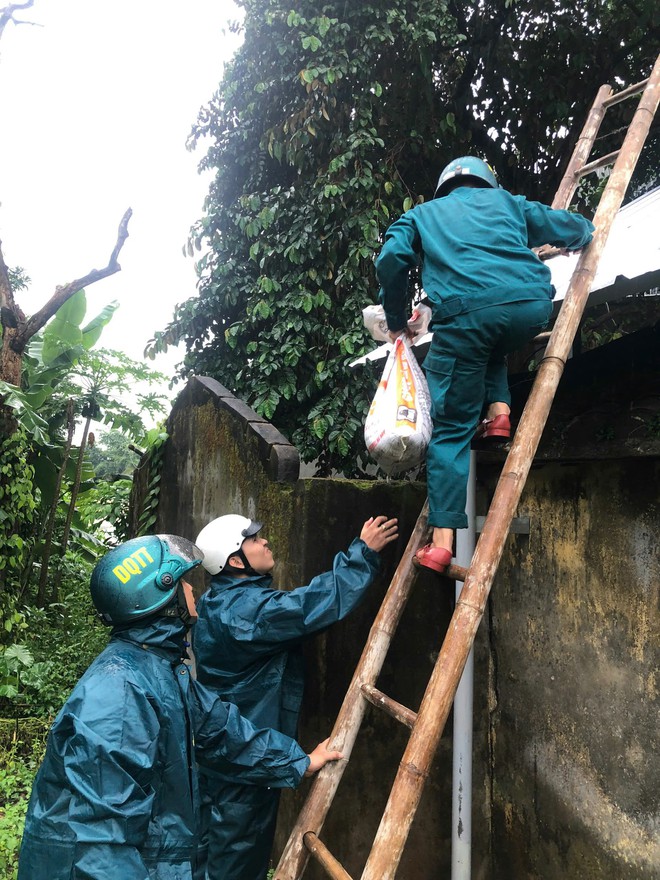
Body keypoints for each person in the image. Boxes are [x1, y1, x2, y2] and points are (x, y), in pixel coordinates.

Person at [17, 534, 342, 880]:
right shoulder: (119, 694)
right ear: (162, 594)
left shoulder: (159, 670)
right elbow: (101, 846)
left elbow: (221, 731)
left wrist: (297, 761)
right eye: (185, 583)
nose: (193, 591)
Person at [376, 155, 595, 574]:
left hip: (465, 317)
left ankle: (441, 543)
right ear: (486, 183)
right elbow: (571, 226)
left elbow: (390, 260)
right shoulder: (510, 204)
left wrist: (397, 318)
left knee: (450, 432)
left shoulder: (421, 215)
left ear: (443, 188)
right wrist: (581, 233)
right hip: (530, 308)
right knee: (489, 341)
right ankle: (499, 413)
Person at [192, 513, 399, 880]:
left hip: (228, 755)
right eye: (255, 540)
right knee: (235, 862)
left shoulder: (219, 602)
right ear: (236, 561)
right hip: (247, 762)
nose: (266, 542)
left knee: (210, 853)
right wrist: (362, 553)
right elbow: (307, 608)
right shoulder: (244, 612)